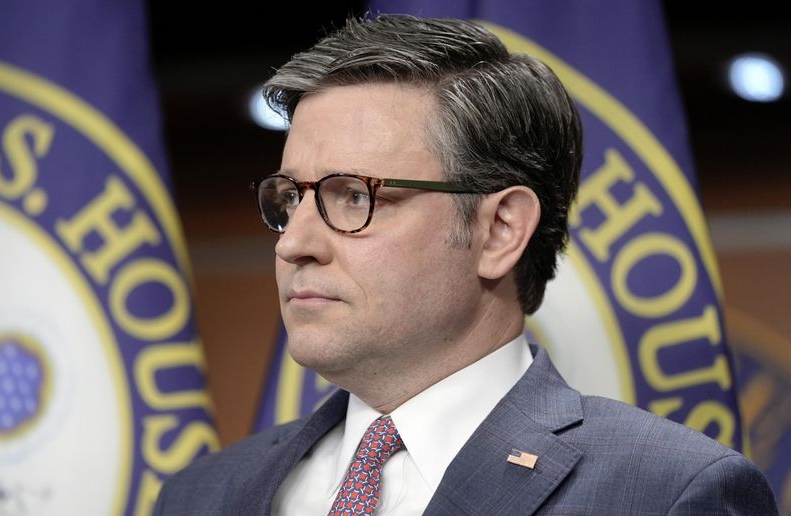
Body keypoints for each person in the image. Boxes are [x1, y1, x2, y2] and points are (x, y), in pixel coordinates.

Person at [154, 14, 777, 515]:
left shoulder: (668, 494)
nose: (293, 244)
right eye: (291, 199)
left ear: (500, 231)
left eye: (353, 196)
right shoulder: (201, 496)